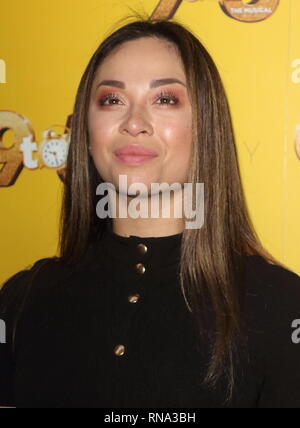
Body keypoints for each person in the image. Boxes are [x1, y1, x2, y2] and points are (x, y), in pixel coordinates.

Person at [1, 17, 300, 409]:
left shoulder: (281, 306)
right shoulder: (22, 300)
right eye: (112, 100)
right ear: (87, 133)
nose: (134, 123)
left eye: (165, 99)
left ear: (205, 126)